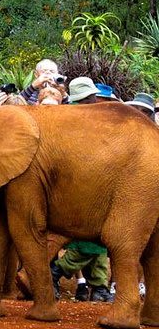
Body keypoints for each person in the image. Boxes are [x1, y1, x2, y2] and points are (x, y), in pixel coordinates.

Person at [51, 76, 113, 302]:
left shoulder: (93, 118)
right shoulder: (69, 120)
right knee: (89, 240)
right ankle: (55, 272)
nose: (96, 100)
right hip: (76, 187)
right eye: (90, 97)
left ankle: (99, 287)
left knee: (100, 238)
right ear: (80, 100)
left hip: (97, 183)